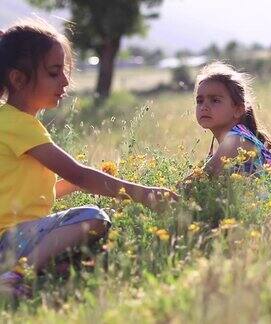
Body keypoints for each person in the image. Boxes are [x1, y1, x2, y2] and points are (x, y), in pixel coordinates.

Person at [0, 21, 178, 297]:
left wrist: (74, 186)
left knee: (90, 255)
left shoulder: (11, 121)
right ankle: (14, 277)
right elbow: (79, 174)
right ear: (19, 79)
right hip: (9, 241)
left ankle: (30, 276)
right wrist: (145, 194)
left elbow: (32, 197)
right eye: (54, 72)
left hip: (18, 237)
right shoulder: (20, 125)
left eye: (64, 71)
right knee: (92, 217)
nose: (66, 81)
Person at [184, 62, 271, 182]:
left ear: (238, 109)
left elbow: (195, 183)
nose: (204, 107)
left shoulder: (237, 140)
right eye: (200, 101)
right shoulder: (231, 139)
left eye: (215, 100)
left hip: (270, 200)